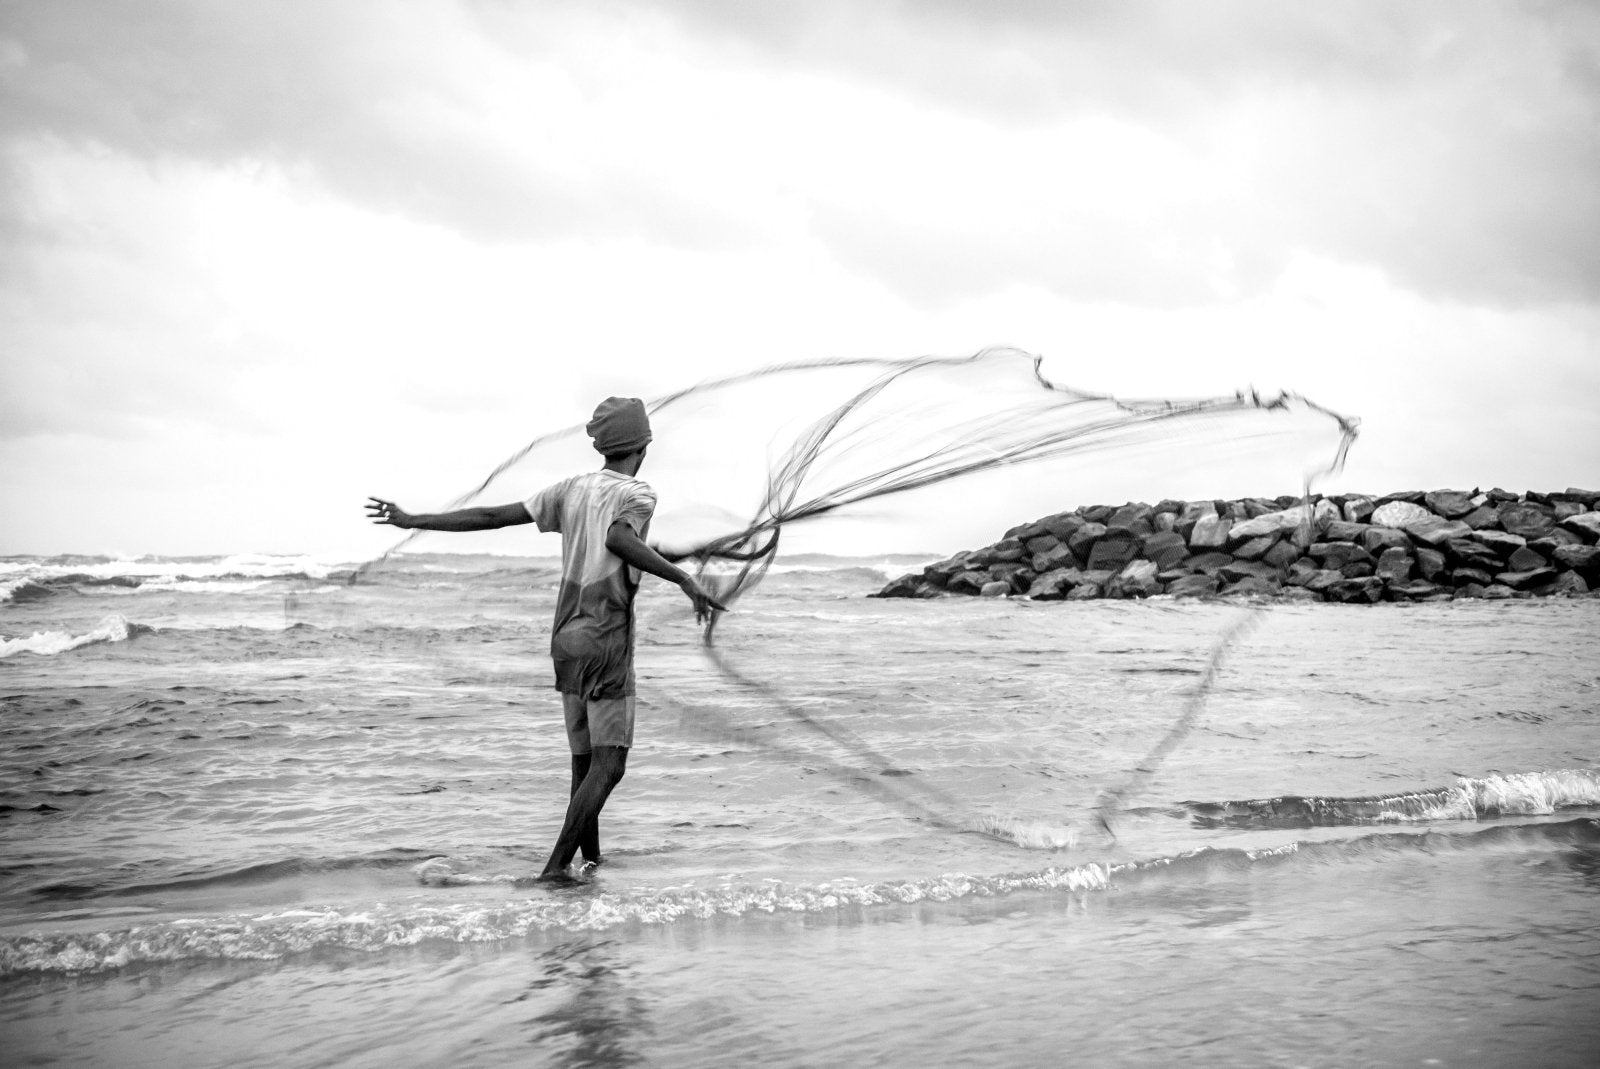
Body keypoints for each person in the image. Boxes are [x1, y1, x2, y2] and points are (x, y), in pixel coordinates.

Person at [365, 396, 725, 882]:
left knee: (585, 763)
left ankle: (589, 864)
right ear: (642, 445)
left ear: (604, 445)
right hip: (605, 640)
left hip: (566, 639)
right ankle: (555, 869)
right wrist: (683, 580)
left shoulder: (570, 490)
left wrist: (414, 520)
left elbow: (492, 518)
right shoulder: (638, 494)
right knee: (610, 765)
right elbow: (619, 539)